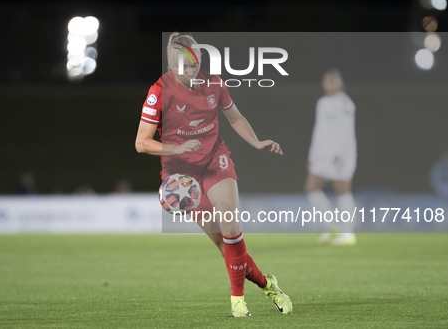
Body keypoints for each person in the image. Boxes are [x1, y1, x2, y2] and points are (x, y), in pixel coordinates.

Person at [135, 33, 292, 318]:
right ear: (172, 65)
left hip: (215, 162)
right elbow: (141, 143)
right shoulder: (159, 90)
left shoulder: (215, 84)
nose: (191, 72)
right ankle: (269, 285)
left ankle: (237, 301)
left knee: (231, 230)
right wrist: (178, 147)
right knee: (223, 245)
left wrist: (257, 142)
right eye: (184, 67)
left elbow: (235, 117)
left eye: (195, 65)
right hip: (184, 180)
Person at [305, 69, 357, 246]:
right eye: (327, 81)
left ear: (340, 83)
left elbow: (346, 131)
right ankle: (331, 225)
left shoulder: (345, 103)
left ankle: (348, 233)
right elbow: (318, 130)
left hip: (342, 155)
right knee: (311, 188)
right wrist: (313, 154)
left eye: (333, 81)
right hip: (322, 155)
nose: (330, 84)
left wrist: (340, 153)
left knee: (342, 190)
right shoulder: (321, 102)